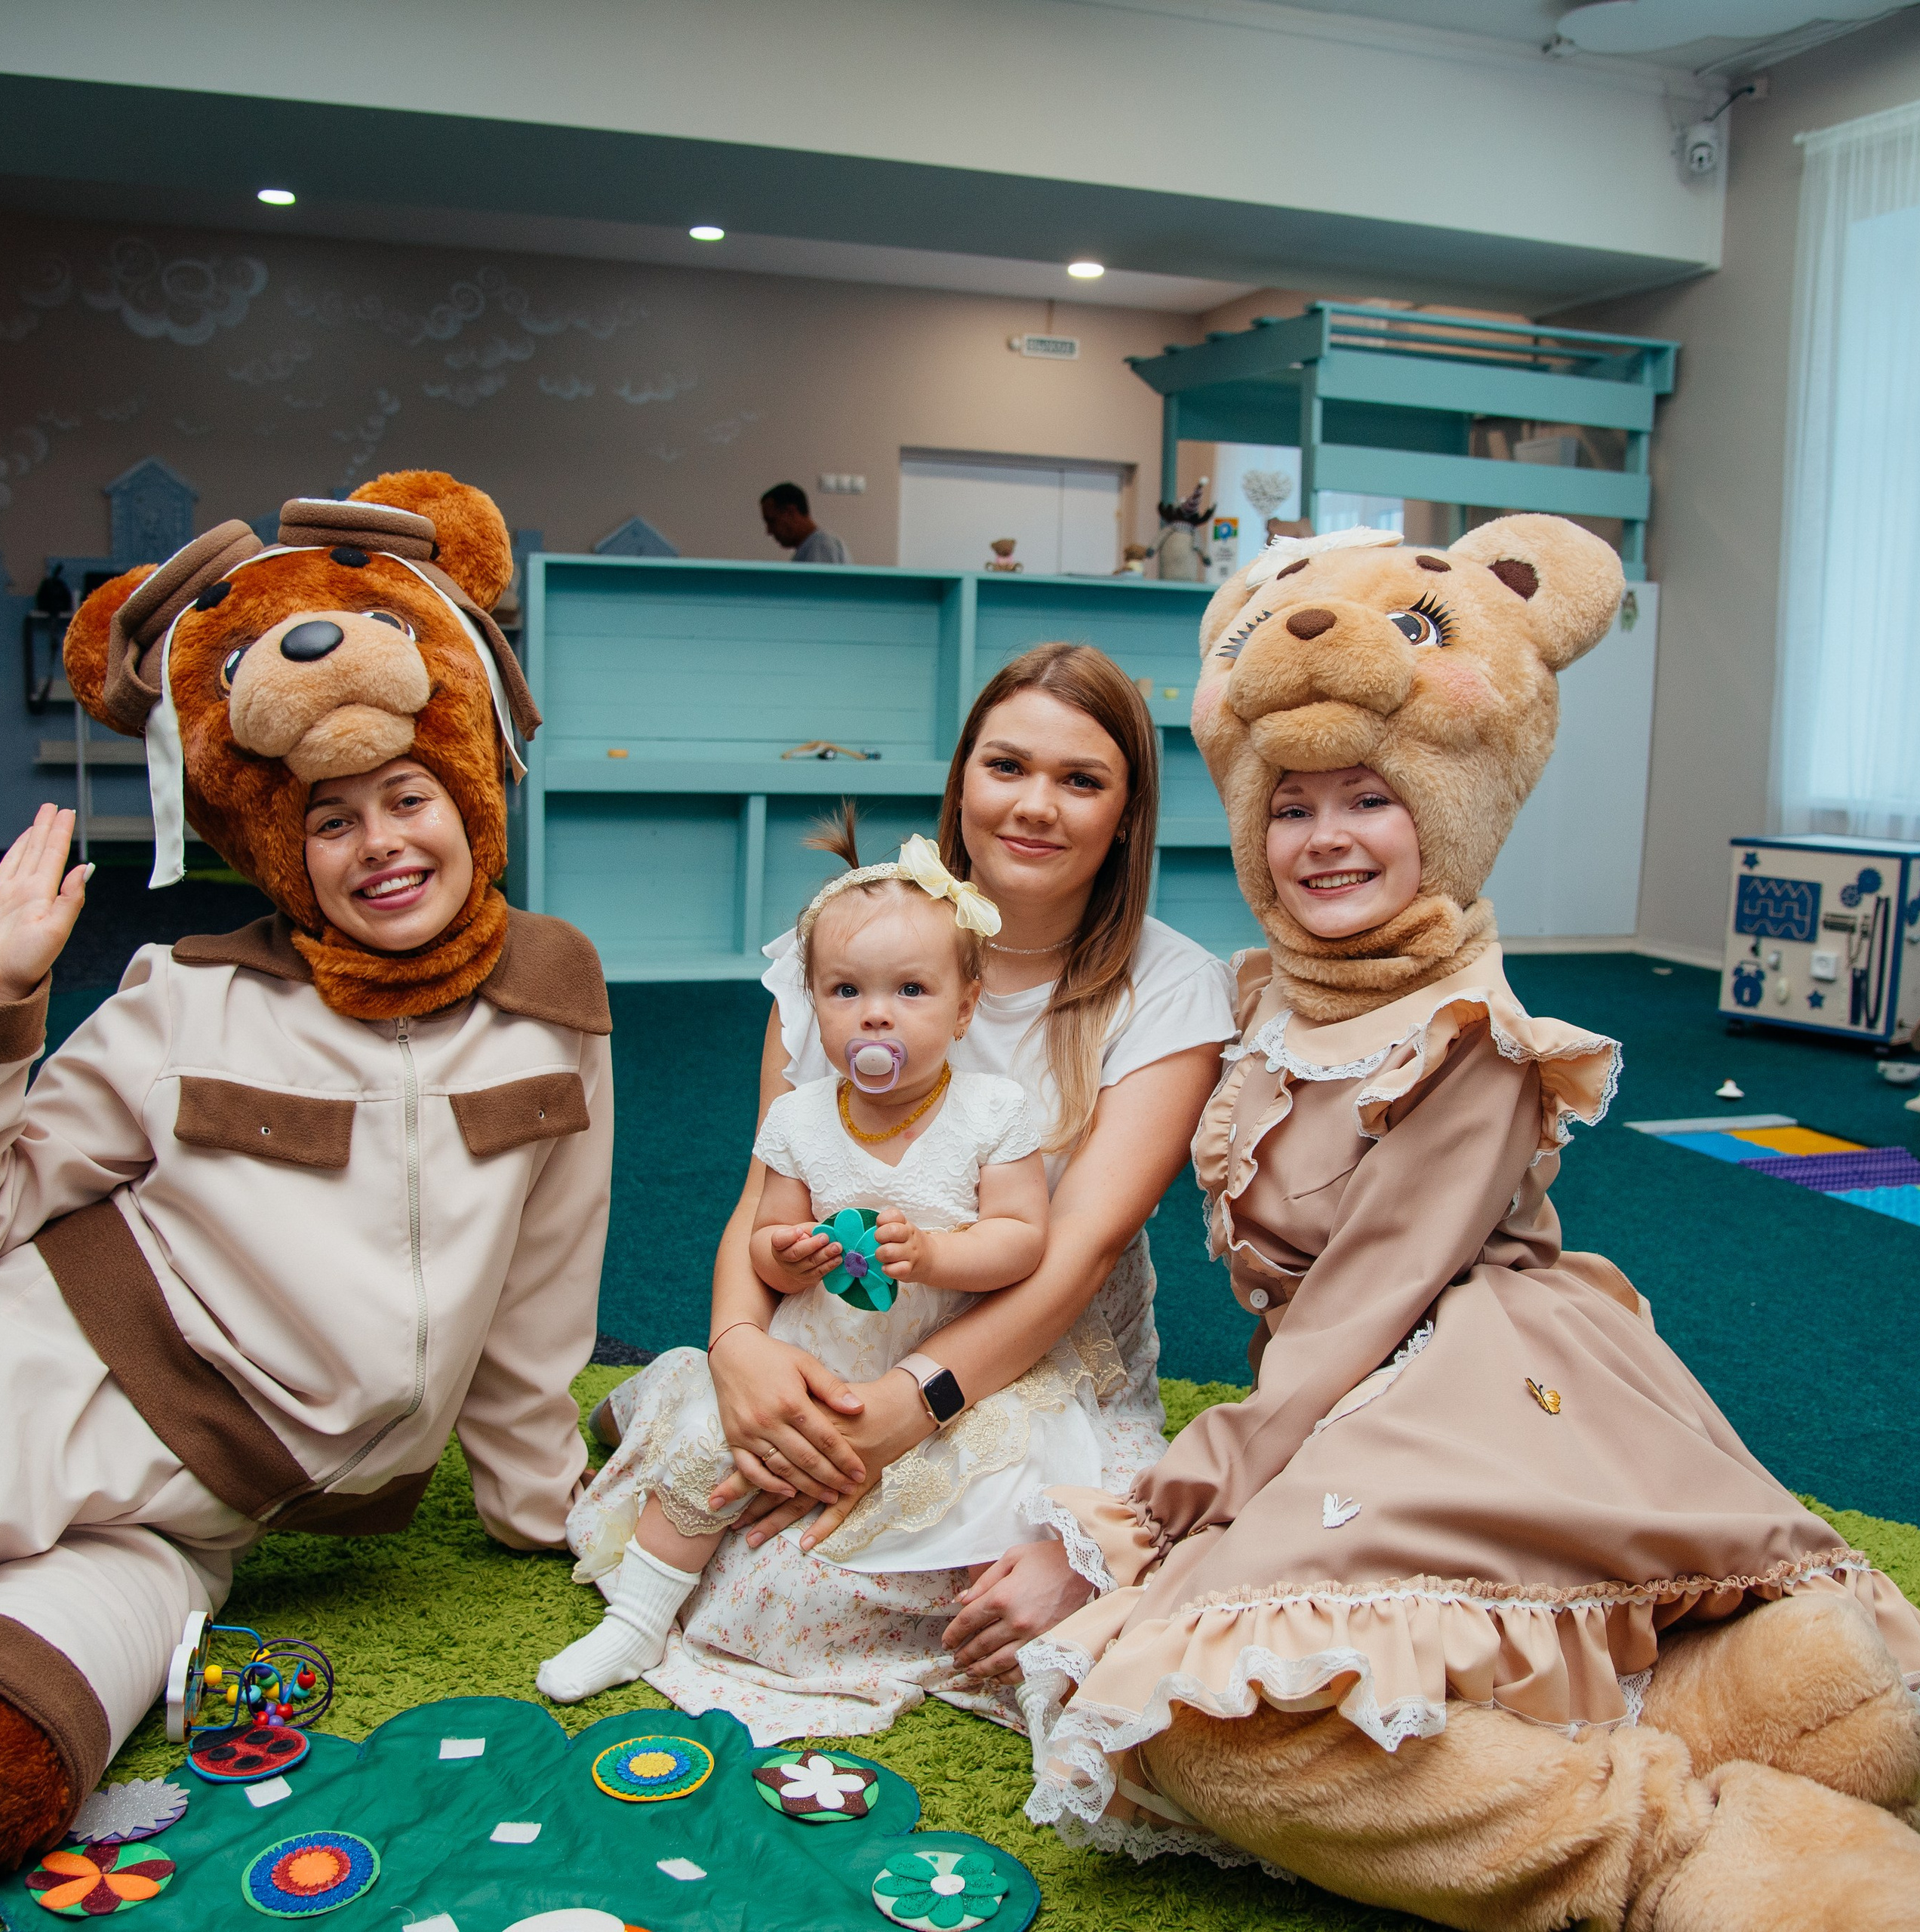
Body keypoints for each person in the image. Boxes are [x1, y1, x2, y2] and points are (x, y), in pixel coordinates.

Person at [1019, 518, 1920, 1924]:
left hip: (1466, 1376)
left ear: (1446, 807)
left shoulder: (1474, 1039)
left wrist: (1212, 1466)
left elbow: (1377, 1284)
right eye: (1292, 806)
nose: (1326, 840)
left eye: (1369, 799)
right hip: (1350, 1392)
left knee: (1202, 1703)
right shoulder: (1269, 1003)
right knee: (1227, 1686)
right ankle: (1754, 1725)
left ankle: (1681, 1855)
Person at [0, 475, 612, 1876]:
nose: (383, 844)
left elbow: (542, 1281)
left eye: (409, 799)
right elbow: (1, 1216)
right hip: (48, 1380)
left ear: (471, 791)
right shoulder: (177, 997)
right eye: (333, 823)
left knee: (30, 1733)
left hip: (209, 1521)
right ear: (281, 849)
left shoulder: (560, 998)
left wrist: (537, 1507)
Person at [582, 641, 1236, 1741]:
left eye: (1081, 781)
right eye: (1006, 767)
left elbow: (1069, 1261)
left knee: (838, 1592)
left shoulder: (1173, 987)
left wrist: (911, 1411)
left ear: (1127, 815)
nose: (1035, 807)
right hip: (837, 1336)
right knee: (736, 1525)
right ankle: (691, 1409)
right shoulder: (836, 945)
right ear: (961, 780)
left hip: (1032, 1362)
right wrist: (740, 1345)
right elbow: (767, 1185)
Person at [542, 830, 1118, 1702]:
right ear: (811, 1006)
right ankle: (634, 1623)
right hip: (819, 1349)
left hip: (940, 1356)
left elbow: (1021, 1240)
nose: (875, 1015)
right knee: (716, 1448)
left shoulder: (993, 1112)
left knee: (959, 1497)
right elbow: (765, 1245)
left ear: (965, 1009)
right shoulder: (803, 1119)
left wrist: (934, 1253)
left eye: (910, 990)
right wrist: (790, 1253)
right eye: (846, 991)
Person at [760, 482, 851, 565]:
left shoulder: (822, 547)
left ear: (790, 512)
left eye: (772, 521)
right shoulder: (812, 547)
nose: (769, 531)